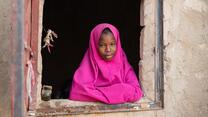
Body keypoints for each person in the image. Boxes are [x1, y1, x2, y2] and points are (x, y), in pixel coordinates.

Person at [68, 23, 143, 104]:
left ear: (117, 43)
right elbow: (78, 92)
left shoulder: (123, 63)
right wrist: (121, 90)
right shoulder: (89, 64)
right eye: (102, 45)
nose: (108, 49)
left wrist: (98, 93)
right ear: (94, 45)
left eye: (112, 44)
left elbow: (136, 92)